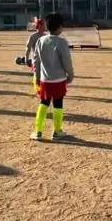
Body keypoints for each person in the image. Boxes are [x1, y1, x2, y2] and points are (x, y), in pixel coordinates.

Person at [31, 12, 74, 141]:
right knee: (58, 104)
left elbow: (36, 61)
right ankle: (57, 131)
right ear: (60, 27)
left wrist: (37, 77)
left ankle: (38, 131)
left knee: (43, 103)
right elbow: (67, 61)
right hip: (59, 80)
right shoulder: (62, 42)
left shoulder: (40, 41)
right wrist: (70, 75)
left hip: (45, 80)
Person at [25, 17, 46, 92]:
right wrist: (26, 59)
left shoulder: (46, 36)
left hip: (45, 61)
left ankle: (43, 89)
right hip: (36, 60)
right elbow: (28, 48)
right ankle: (38, 90)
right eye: (42, 25)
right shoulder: (33, 36)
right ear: (38, 27)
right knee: (37, 75)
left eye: (44, 25)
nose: (44, 27)